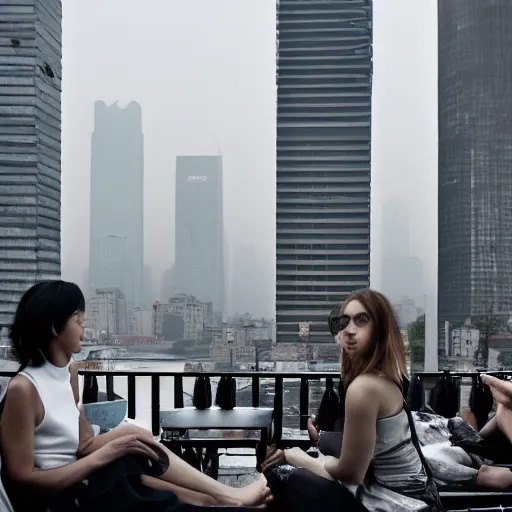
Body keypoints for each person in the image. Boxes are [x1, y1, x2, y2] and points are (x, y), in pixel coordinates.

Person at [0, 281, 271, 512]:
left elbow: (83, 444)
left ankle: (224, 498)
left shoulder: (69, 373)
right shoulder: (24, 389)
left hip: (87, 480)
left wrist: (127, 436)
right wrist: (108, 454)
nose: (84, 327)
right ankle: (227, 497)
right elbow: (22, 478)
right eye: (77, 320)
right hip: (62, 498)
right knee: (135, 472)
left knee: (135, 446)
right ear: (54, 327)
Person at [261, 289, 441, 512]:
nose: (349, 330)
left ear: (380, 329)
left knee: (282, 475)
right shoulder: (387, 378)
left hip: (394, 503)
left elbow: (351, 473)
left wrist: (296, 456)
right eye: (344, 322)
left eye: (361, 320)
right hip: (418, 500)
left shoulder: (363, 388)